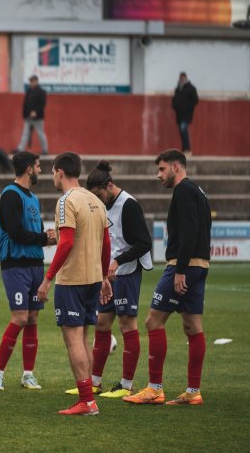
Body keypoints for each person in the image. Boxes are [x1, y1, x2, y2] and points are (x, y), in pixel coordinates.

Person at [124, 149, 211, 406]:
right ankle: (193, 391)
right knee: (192, 326)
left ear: (175, 167)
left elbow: (190, 230)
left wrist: (180, 269)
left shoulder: (183, 190)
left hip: (184, 266)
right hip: (200, 265)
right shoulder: (198, 191)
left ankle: (154, 388)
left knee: (153, 321)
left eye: (162, 169)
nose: (158, 175)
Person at [65, 160, 152, 399]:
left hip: (127, 273)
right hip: (109, 276)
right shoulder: (102, 206)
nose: (98, 199)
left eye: (99, 195)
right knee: (102, 323)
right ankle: (94, 382)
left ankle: (126, 384)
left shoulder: (129, 205)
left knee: (126, 325)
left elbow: (144, 243)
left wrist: (118, 261)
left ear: (110, 185)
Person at [36, 152, 111, 416]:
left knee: (73, 339)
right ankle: (88, 397)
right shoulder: (96, 200)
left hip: (72, 280)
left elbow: (66, 242)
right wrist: (104, 277)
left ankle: (87, 401)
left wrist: (47, 279)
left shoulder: (66, 200)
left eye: (52, 172)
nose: (52, 177)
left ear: (59, 171)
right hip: (93, 278)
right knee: (84, 337)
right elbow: (106, 242)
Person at [0, 151, 56, 392]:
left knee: (33, 317)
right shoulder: (10, 195)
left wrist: (47, 236)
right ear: (29, 168)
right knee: (19, 317)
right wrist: (44, 238)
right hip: (15, 264)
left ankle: (28, 375)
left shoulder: (34, 199)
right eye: (37, 166)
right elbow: (16, 232)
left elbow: (35, 233)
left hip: (35, 263)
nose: (40, 170)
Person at [16, 75, 48, 155]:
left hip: (38, 118)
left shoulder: (41, 92)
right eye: (30, 82)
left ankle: (45, 150)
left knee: (40, 133)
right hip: (28, 117)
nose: (31, 83)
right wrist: (25, 114)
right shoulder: (29, 91)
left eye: (32, 81)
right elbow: (25, 103)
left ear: (36, 82)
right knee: (25, 133)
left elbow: (42, 104)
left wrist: (35, 111)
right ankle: (20, 149)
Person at [172, 72, 199, 156]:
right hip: (179, 114)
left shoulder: (190, 88)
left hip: (186, 114)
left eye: (183, 78)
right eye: (180, 78)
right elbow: (174, 99)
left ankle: (187, 150)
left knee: (183, 130)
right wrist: (175, 106)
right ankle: (184, 149)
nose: (181, 79)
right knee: (182, 131)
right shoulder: (178, 89)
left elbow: (195, 100)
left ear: (186, 78)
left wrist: (188, 107)